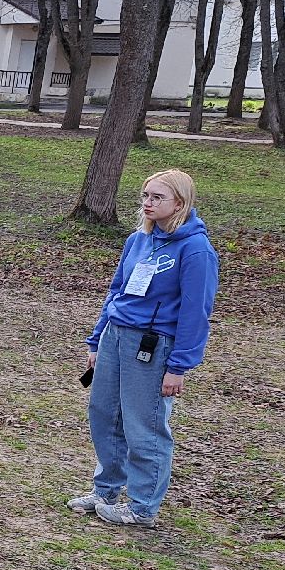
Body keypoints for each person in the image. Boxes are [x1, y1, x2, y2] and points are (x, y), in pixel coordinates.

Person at [71, 169, 218, 529]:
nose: (148, 203)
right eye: (145, 196)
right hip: (116, 336)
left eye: (157, 197)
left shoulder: (196, 249)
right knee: (104, 414)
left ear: (179, 203)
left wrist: (179, 366)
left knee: (144, 425)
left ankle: (142, 507)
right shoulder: (138, 239)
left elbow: (196, 312)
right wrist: (97, 339)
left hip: (152, 345)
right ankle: (105, 490)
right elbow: (117, 291)